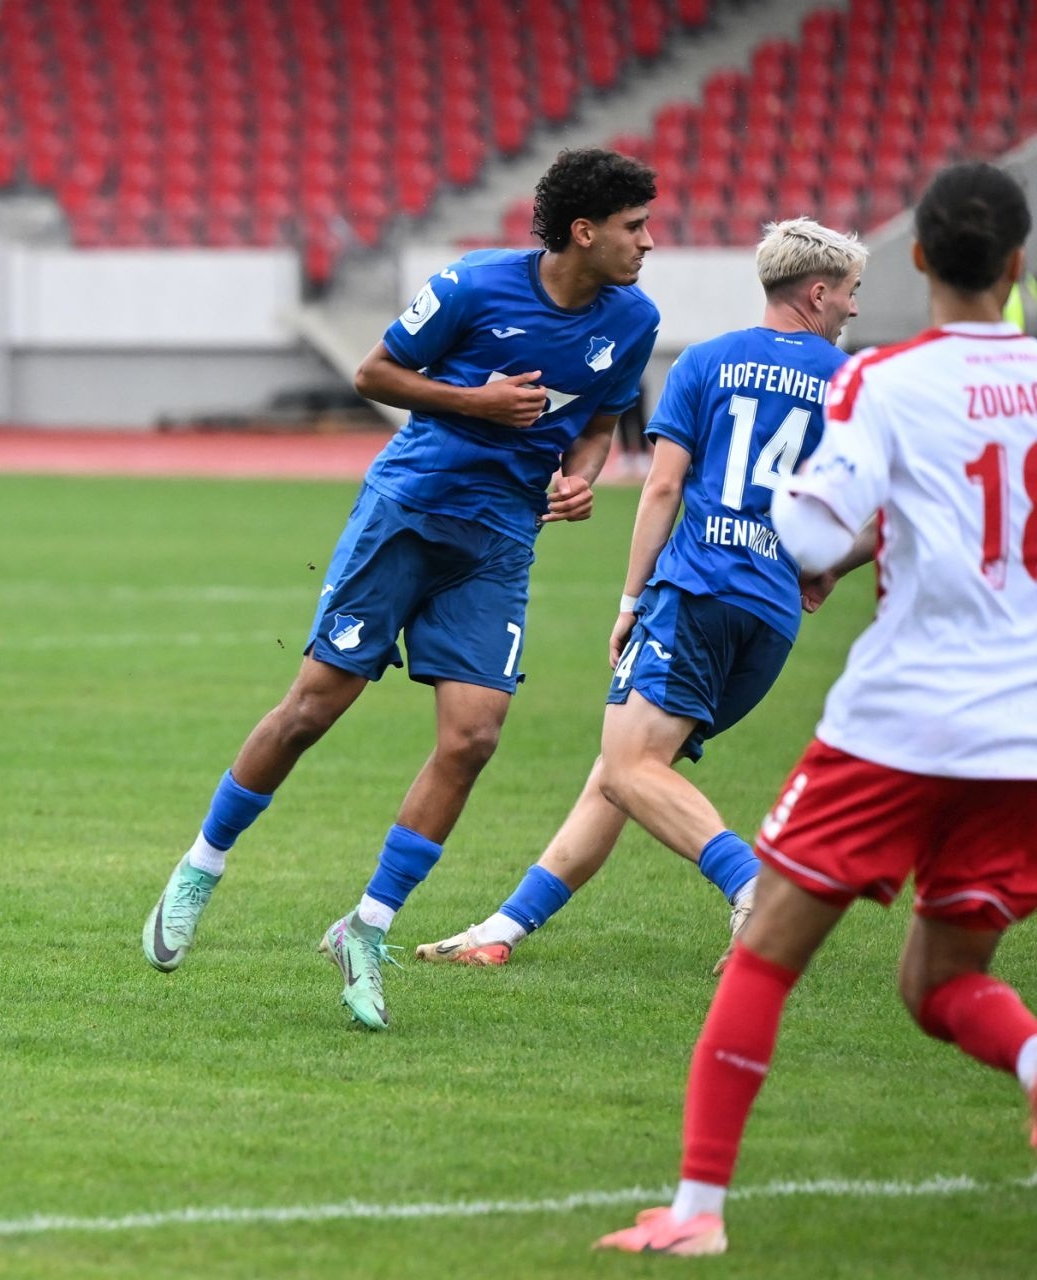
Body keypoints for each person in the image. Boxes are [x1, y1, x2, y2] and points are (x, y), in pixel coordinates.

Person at [597, 161, 1037, 1257]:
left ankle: (697, 1214)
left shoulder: (882, 379)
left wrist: (835, 524)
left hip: (901, 718)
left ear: (920, 259)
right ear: (1018, 264)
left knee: (766, 956)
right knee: (942, 982)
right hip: (1022, 730)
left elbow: (805, 535)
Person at [141, 148, 661, 1030]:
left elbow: (599, 425)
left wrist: (580, 477)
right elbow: (373, 375)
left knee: (474, 738)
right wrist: (476, 402)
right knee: (312, 709)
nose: (648, 242)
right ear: (584, 231)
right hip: (407, 516)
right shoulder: (474, 286)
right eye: (634, 226)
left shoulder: (634, 320)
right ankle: (200, 867)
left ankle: (367, 928)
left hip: (499, 543)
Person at [415, 218, 869, 974]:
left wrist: (630, 602)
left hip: (696, 591)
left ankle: (754, 886)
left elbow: (662, 488)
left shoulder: (707, 361)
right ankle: (502, 930)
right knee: (622, 772)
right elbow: (887, 514)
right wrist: (827, 570)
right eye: (852, 291)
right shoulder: (855, 386)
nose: (854, 307)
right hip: (770, 614)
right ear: (818, 293)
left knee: (630, 769)